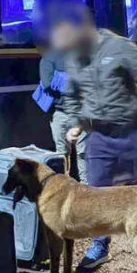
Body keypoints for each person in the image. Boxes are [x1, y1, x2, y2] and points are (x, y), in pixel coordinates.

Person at [52, 0, 137, 267]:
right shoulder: (75, 57)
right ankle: (101, 246)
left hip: (134, 132)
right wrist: (76, 122)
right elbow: (72, 94)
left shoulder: (119, 46)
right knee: (97, 193)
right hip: (100, 136)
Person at [39, 46, 88, 183]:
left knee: (62, 155)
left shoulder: (49, 56)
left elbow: (48, 84)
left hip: (60, 113)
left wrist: (62, 79)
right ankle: (86, 186)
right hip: (77, 112)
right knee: (82, 153)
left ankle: (65, 186)